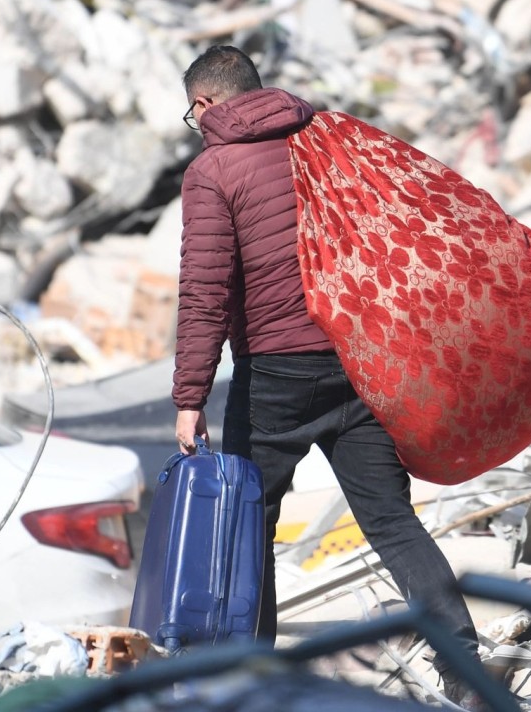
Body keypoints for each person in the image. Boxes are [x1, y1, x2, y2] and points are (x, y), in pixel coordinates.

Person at [170, 45, 484, 707]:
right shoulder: (324, 138)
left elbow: (205, 292)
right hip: (355, 360)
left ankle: (248, 679)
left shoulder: (213, 169)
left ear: (205, 105)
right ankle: (467, 669)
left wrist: (189, 397)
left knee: (247, 528)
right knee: (392, 523)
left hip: (274, 375)